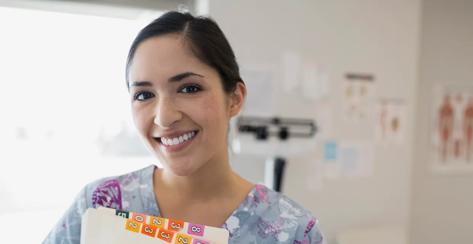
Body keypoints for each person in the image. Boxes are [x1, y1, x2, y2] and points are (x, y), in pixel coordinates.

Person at [43, 11, 323, 244]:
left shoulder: (292, 230)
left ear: (234, 99)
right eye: (144, 95)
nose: (164, 117)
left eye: (189, 88)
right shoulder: (99, 205)